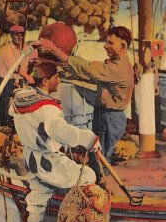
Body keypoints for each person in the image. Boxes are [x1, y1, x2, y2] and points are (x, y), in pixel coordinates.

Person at [10, 62, 100, 222]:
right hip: (48, 159)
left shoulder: (22, 100)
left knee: (39, 193)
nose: (59, 81)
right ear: (45, 81)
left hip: (31, 158)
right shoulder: (47, 108)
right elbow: (61, 132)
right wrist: (88, 139)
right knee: (88, 175)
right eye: (56, 78)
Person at [39, 26, 134, 171]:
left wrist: (54, 50)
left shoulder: (117, 68)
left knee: (100, 159)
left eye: (110, 43)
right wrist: (62, 66)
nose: (105, 46)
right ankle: (97, 184)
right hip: (106, 116)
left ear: (122, 46)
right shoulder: (115, 63)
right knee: (97, 155)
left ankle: (99, 189)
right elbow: (87, 74)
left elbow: (88, 69)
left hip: (109, 119)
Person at [0, 24, 35, 126]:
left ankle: (16, 133)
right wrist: (28, 77)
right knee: (6, 111)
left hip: (20, 82)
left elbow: (33, 59)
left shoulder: (24, 48)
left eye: (21, 35)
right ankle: (4, 132)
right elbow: (14, 68)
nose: (20, 37)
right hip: (6, 83)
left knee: (20, 109)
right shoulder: (5, 50)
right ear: (11, 35)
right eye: (16, 35)